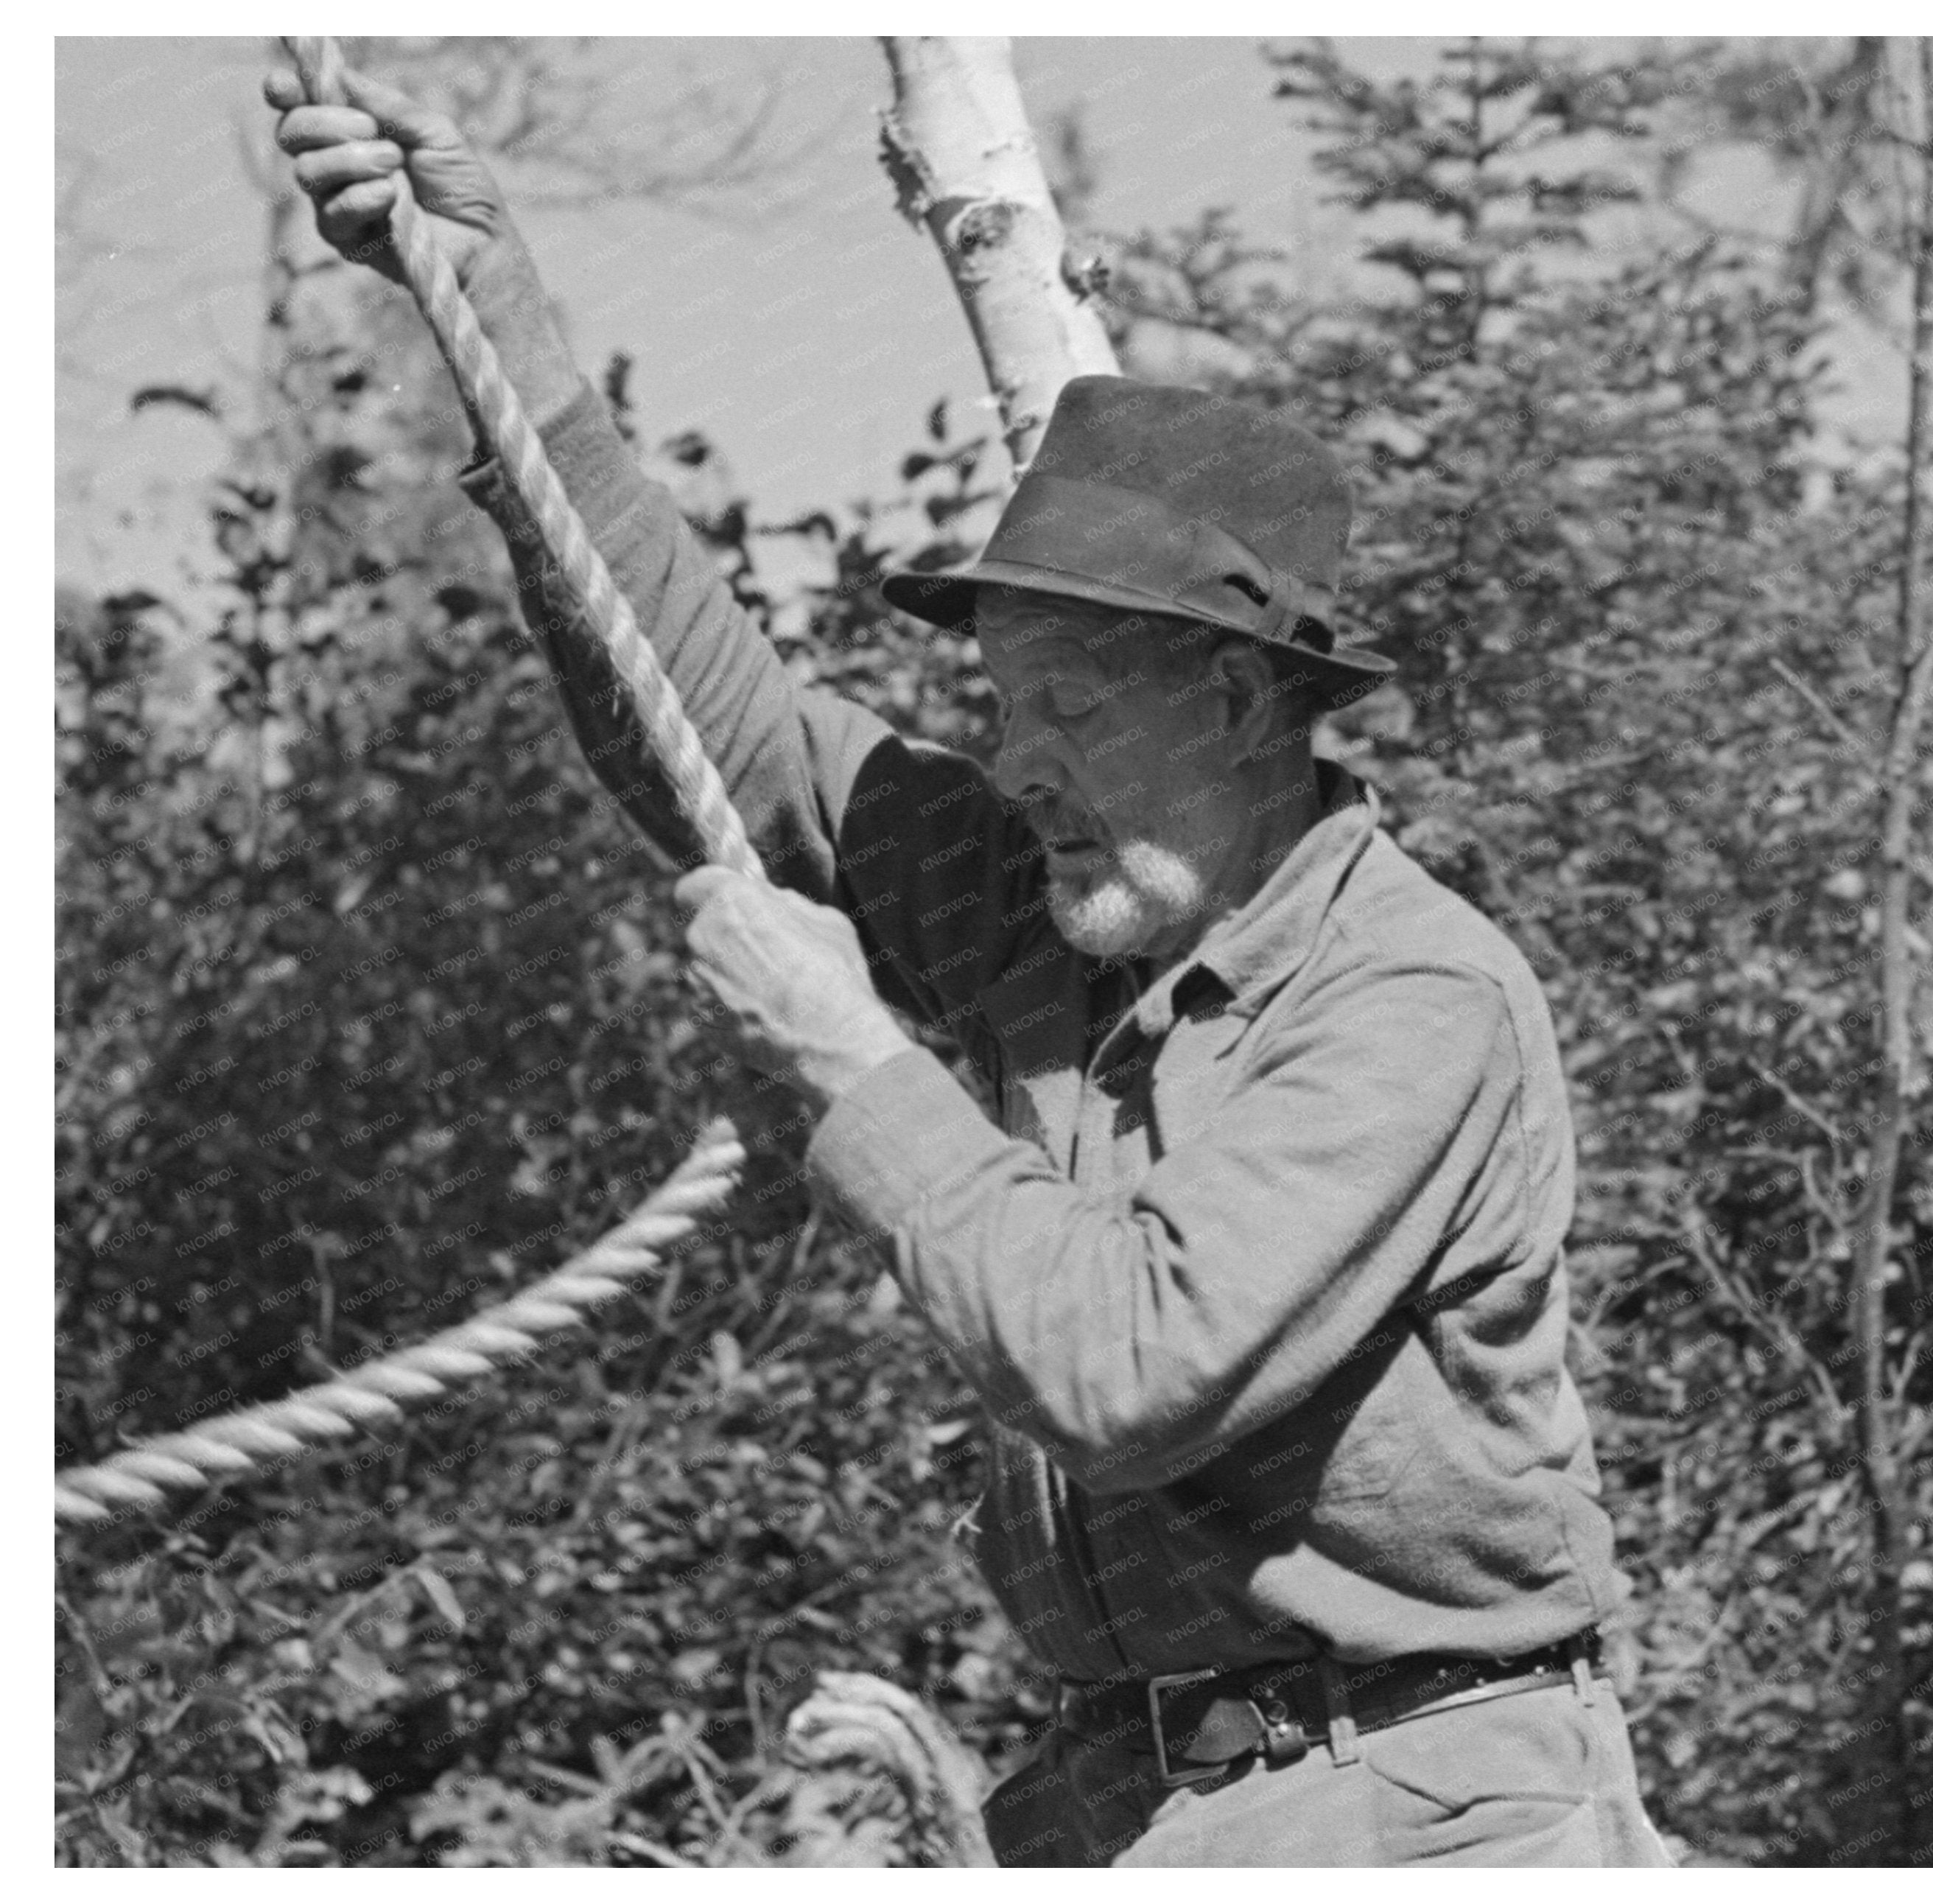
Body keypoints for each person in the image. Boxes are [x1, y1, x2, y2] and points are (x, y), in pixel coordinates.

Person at [267, 63, 1676, 1868]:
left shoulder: (1412, 996)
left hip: (1422, 1812)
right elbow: (717, 723)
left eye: (1069, 712)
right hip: (1138, 1799)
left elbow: (1127, 1360)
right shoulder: (1052, 896)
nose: (1014, 763)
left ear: (1242, 704)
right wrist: (489, 315)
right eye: (1001, 708)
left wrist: (855, 1058)